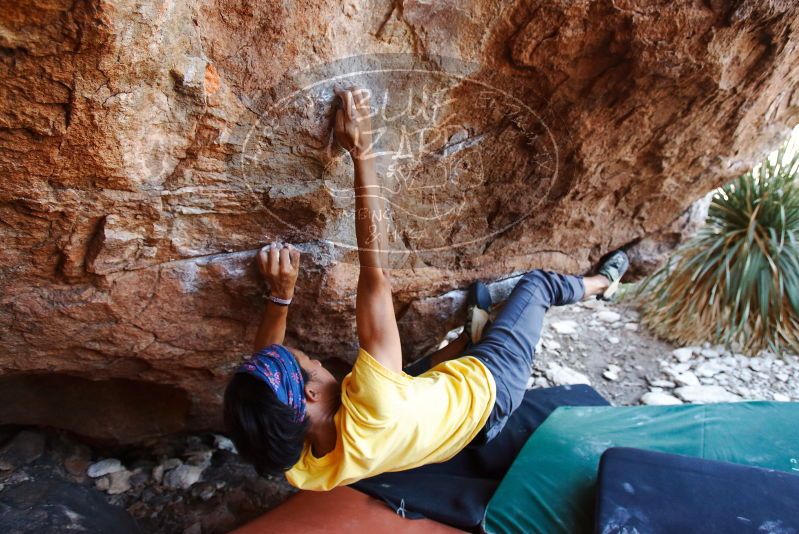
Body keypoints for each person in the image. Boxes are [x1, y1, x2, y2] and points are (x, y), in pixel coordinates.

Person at [223, 87, 630, 491]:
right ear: (310, 394)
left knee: (403, 374)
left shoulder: (296, 460)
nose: (317, 359)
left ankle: (463, 342)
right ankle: (604, 283)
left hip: (432, 431)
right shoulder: (374, 403)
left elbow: (268, 374)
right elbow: (375, 275)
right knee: (536, 284)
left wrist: (280, 297)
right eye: (311, 359)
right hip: (491, 393)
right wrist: (361, 152)